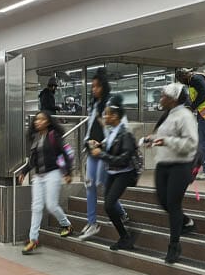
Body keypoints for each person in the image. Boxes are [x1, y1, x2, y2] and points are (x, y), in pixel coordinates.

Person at [145, 83, 199, 264]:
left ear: (174, 99)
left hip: (180, 166)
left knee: (173, 204)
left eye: (163, 96)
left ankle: (174, 246)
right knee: (163, 200)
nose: (160, 99)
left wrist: (167, 141)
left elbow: (191, 143)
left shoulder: (185, 116)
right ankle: (185, 222)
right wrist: (151, 141)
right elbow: (163, 139)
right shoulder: (167, 117)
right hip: (163, 165)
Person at [77, 70, 129, 240]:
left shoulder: (111, 104)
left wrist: (104, 143)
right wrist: (87, 141)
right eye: (92, 86)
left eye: (97, 86)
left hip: (105, 152)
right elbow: (91, 127)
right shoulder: (94, 104)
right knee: (90, 185)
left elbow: (121, 128)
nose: (94, 89)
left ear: (104, 87)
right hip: (93, 151)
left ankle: (120, 212)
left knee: (103, 184)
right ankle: (92, 223)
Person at [86, 95, 140, 250]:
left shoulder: (126, 134)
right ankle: (125, 236)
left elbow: (123, 158)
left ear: (115, 116)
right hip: (113, 172)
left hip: (124, 173)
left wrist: (100, 154)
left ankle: (126, 236)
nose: (105, 117)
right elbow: (111, 146)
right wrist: (100, 145)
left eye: (107, 114)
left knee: (109, 205)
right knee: (108, 205)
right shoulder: (112, 132)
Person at [17, 111, 74, 254]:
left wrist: (67, 172)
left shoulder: (54, 136)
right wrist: (24, 172)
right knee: (36, 207)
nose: (38, 122)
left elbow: (65, 154)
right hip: (39, 176)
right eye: (36, 120)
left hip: (53, 173)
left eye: (41, 119)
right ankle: (33, 240)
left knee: (51, 205)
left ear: (48, 122)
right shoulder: (36, 138)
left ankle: (66, 224)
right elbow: (32, 161)